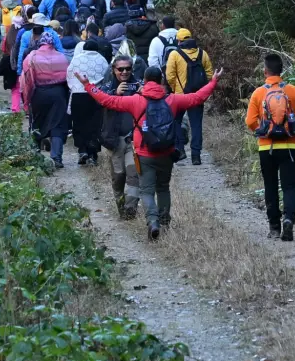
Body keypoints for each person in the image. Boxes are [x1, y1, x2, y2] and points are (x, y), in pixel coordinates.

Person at [79, 64, 222, 239]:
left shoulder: (136, 100)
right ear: (161, 80)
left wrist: (87, 85)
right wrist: (213, 81)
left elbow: (107, 100)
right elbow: (197, 98)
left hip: (144, 154)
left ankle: (153, 222)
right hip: (166, 152)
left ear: (145, 81)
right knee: (163, 188)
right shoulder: (172, 100)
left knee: (146, 191)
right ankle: (164, 222)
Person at [245, 54, 295, 241]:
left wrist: (262, 131)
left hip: (267, 148)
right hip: (290, 146)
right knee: (289, 186)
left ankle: (274, 227)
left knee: (270, 185)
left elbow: (250, 121)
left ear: (265, 71)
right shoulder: (293, 91)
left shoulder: (258, 93)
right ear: (281, 70)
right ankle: (288, 220)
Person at [96, 55, 141, 220]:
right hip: (115, 140)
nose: (124, 72)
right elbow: (99, 102)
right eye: (120, 69)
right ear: (113, 70)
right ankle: (121, 207)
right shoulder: (107, 87)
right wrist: (114, 94)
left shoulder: (139, 85)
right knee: (118, 176)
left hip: (134, 139)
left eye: (128, 68)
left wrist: (142, 93)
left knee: (133, 174)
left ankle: (130, 209)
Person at [22, 31, 71, 169]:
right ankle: (56, 158)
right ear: (53, 43)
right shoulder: (62, 57)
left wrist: (26, 100)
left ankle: (35, 157)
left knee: (37, 123)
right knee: (58, 124)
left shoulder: (32, 57)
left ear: (40, 43)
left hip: (39, 94)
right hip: (59, 94)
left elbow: (26, 81)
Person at [166, 28, 213, 165]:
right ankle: (196, 156)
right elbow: (209, 74)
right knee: (196, 125)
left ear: (178, 41)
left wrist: (175, 89)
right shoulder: (202, 53)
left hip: (179, 97)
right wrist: (202, 90)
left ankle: (180, 150)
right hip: (197, 96)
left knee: (175, 122)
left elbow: (170, 76)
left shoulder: (174, 54)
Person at [67, 33, 110, 165]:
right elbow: (107, 77)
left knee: (79, 123)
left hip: (78, 95)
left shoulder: (76, 59)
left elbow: (69, 76)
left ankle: (82, 150)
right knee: (95, 125)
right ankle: (93, 154)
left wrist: (74, 87)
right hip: (96, 96)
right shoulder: (102, 60)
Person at [1, 11, 24, 112]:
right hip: (22, 62)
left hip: (10, 63)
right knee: (24, 87)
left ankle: (15, 108)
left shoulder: (8, 34)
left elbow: (3, 48)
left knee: (15, 88)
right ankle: (27, 108)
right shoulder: (24, 33)